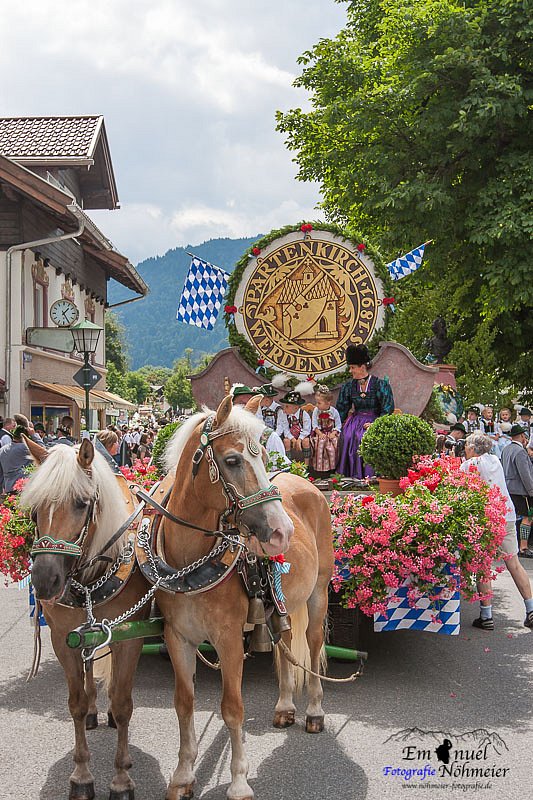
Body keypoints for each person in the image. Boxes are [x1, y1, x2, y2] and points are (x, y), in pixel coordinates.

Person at [460, 432, 533, 630]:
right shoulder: (495, 460)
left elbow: (460, 487)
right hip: (506, 515)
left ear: (473, 448)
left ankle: (486, 616)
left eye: (466, 446)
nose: (464, 449)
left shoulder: (470, 465)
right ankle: (530, 610)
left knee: (483, 565)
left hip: (485, 518)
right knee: (514, 563)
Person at [336, 344, 394, 478]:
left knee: (364, 437)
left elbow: (387, 408)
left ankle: (369, 477)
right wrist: (336, 428)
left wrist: (377, 424)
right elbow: (342, 409)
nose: (350, 371)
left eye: (352, 368)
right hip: (355, 420)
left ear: (362, 367)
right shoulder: (349, 386)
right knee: (349, 436)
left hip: (374, 419)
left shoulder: (380, 384)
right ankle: (349, 476)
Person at [230, 384, 290, 471]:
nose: (247, 408)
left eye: (252, 404)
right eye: (241, 405)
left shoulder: (270, 437)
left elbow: (281, 472)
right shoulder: (224, 437)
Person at [501, 424, 533, 558]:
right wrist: (531, 491)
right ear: (521, 436)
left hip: (508, 488)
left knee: (510, 518)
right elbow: (525, 474)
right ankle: (523, 547)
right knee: (528, 517)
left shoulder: (506, 449)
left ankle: (504, 546)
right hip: (521, 490)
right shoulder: (520, 452)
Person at [310, 384, 342, 474]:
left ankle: (332, 468)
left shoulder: (333, 411)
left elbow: (338, 425)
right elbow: (314, 425)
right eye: (317, 402)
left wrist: (334, 432)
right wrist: (320, 433)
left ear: (328, 403)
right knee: (320, 443)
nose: (317, 404)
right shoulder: (316, 411)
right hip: (320, 432)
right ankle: (319, 469)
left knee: (333, 443)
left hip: (331, 432)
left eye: (319, 403)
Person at [278, 390, 312, 465]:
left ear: (296, 407)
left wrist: (299, 439)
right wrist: (293, 439)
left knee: (306, 441)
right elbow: (286, 429)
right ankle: (288, 463)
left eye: (287, 406)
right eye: (284, 406)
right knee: (286, 441)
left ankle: (306, 465)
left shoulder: (303, 414)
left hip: (302, 435)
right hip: (291, 435)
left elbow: (307, 429)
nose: (284, 409)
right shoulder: (285, 415)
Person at [0, 422, 34, 495]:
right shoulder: (25, 448)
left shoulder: (2, 449)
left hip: (8, 487)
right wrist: (34, 435)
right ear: (25, 437)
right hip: (23, 487)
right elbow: (43, 452)